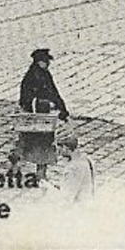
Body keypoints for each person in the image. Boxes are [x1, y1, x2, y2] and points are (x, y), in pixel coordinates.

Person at [18, 48, 70, 178]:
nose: (48, 64)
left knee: (44, 145)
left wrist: (62, 109)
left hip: (46, 117)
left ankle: (41, 172)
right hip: (38, 118)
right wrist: (44, 103)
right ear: (39, 62)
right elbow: (25, 99)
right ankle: (39, 173)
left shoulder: (45, 74)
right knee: (39, 145)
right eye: (45, 61)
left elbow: (54, 92)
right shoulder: (31, 77)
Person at [55, 133, 95, 203]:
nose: (59, 154)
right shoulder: (87, 159)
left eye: (59, 150)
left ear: (65, 148)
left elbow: (67, 198)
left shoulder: (72, 168)